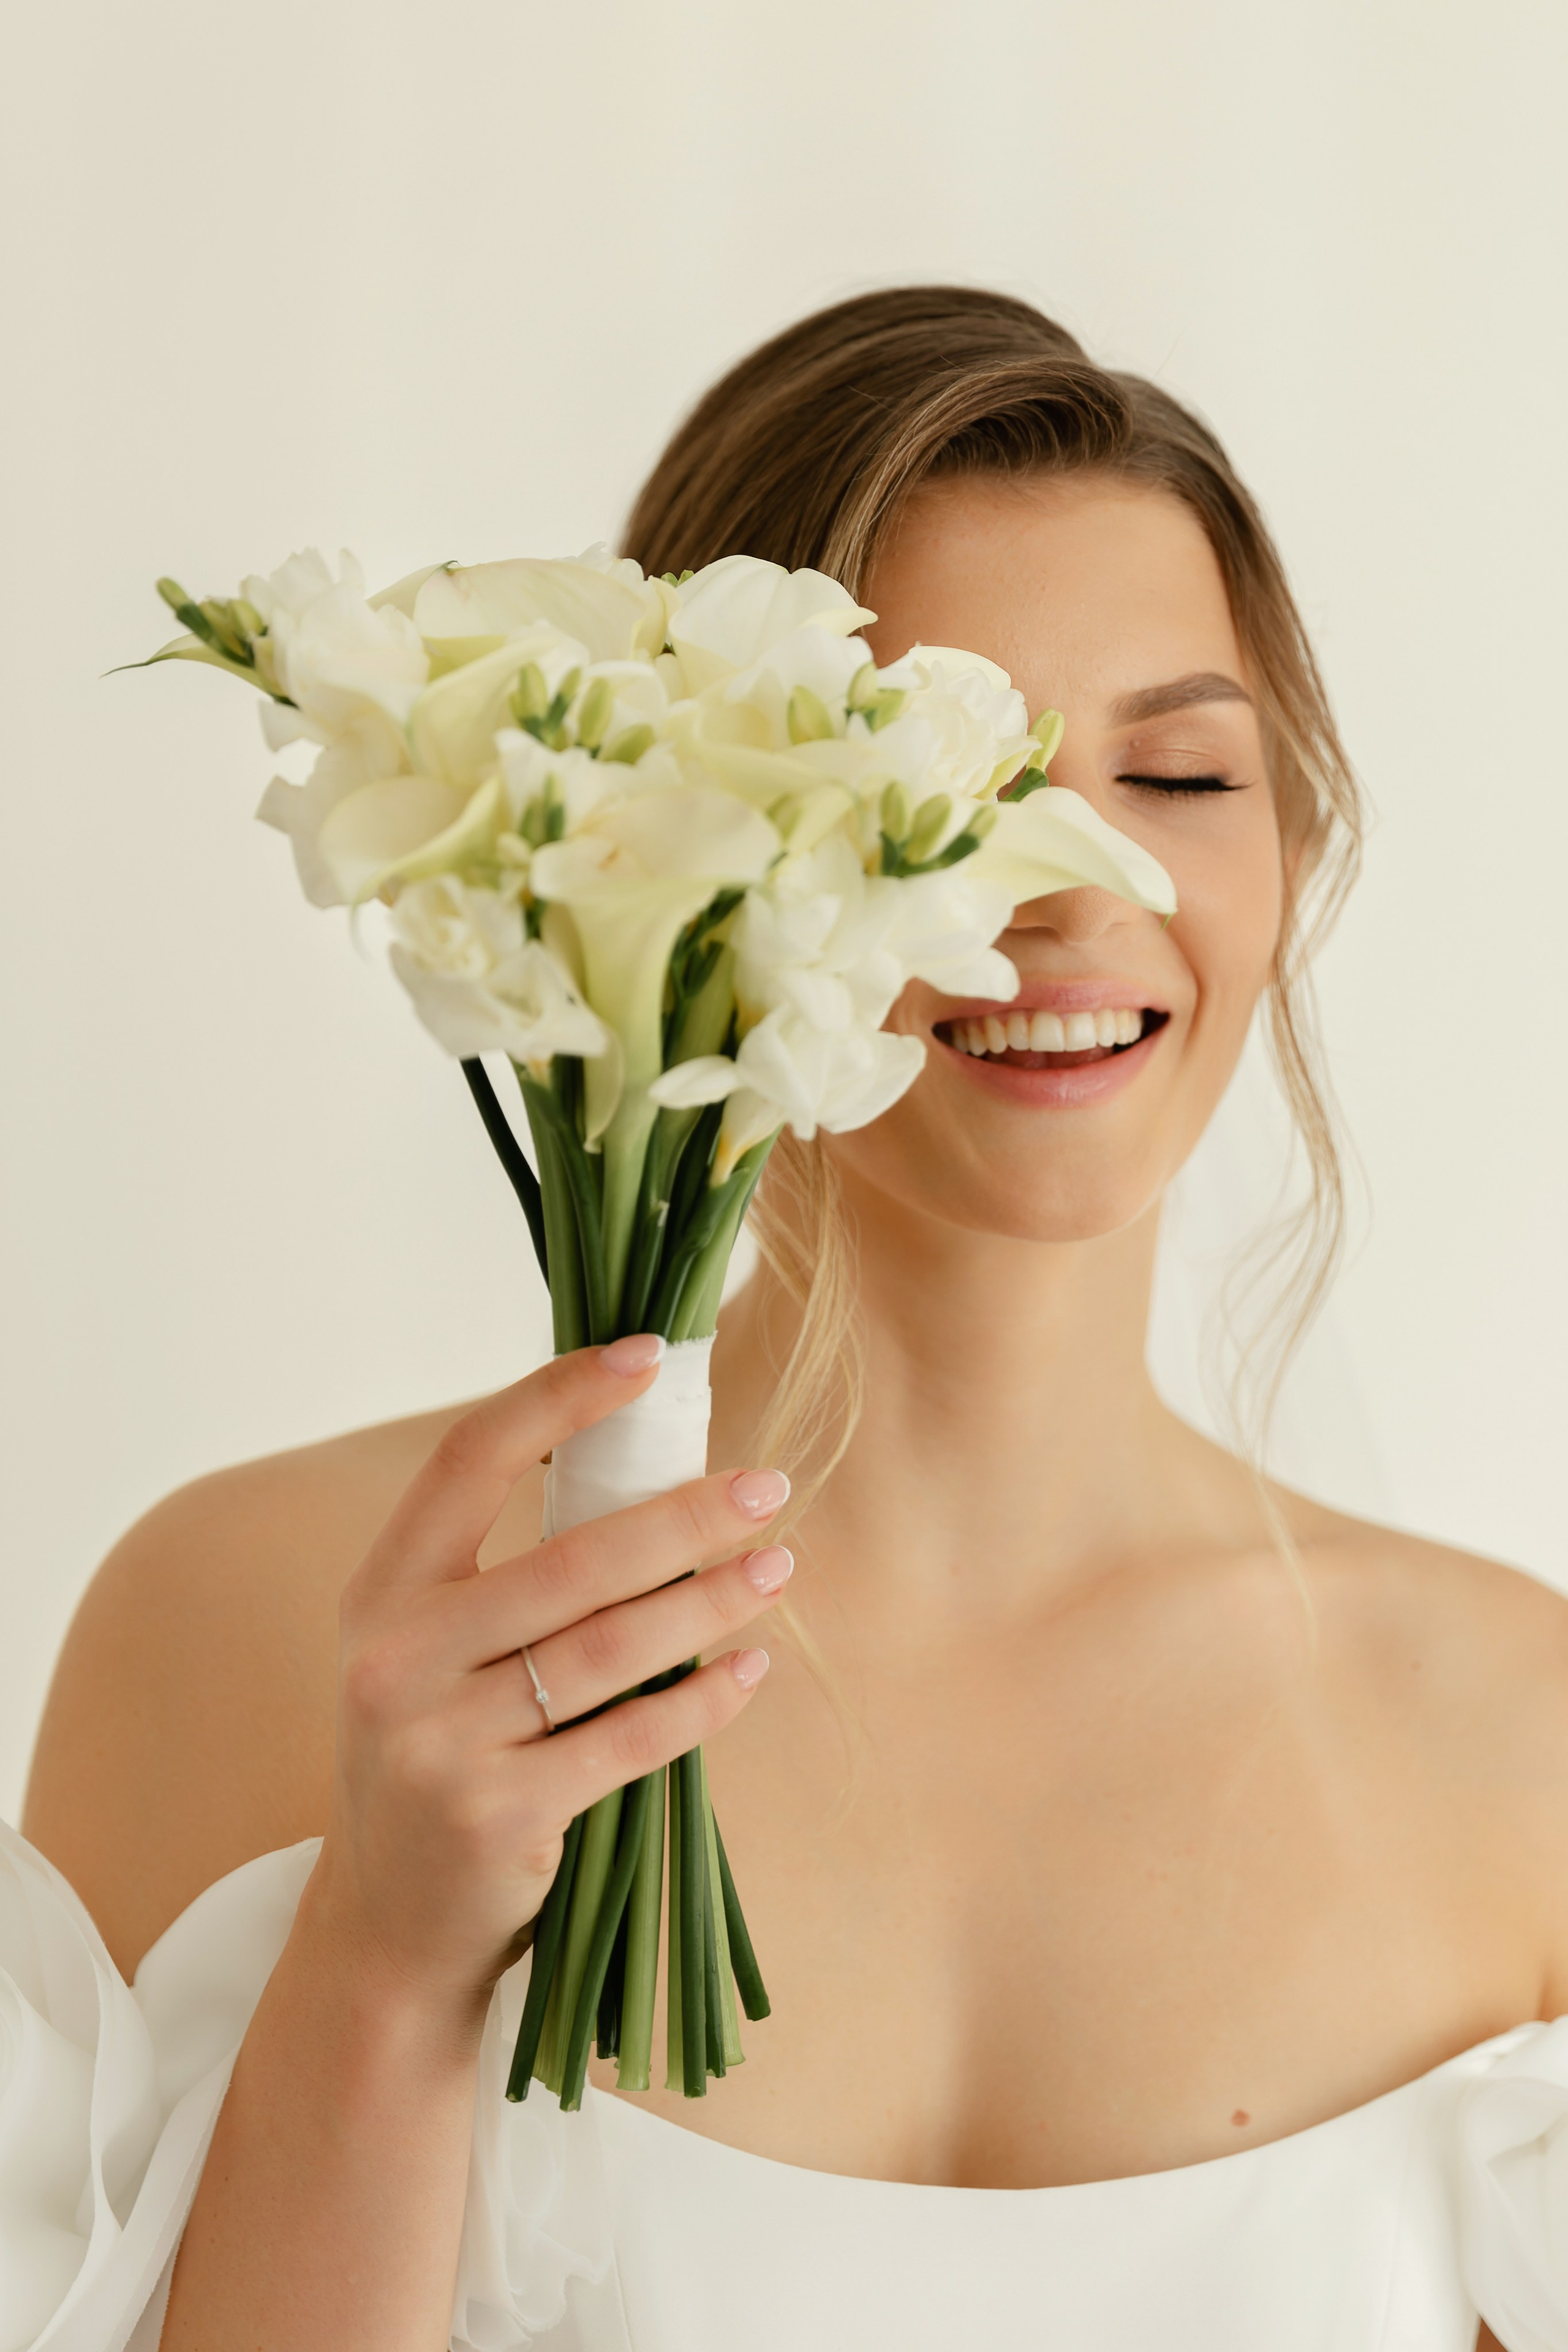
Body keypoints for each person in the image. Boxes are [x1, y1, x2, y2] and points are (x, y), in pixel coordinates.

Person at [17, 286, 1568, 2352]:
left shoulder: (1521, 1742)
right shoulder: (250, 1625)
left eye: (1181, 772)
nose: (1078, 897)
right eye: (948, 779)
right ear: (682, 830)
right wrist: (384, 1963)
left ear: (1290, 847)